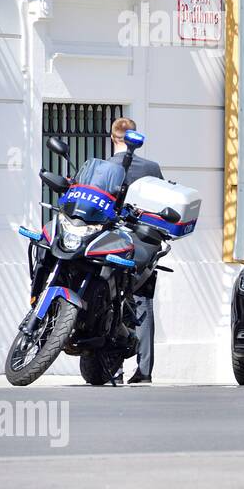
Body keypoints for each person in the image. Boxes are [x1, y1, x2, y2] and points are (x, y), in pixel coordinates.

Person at [108, 117, 164, 385]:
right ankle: (144, 371)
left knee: (109, 302)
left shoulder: (105, 167)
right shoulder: (152, 168)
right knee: (142, 303)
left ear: (112, 137)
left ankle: (113, 368)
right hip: (143, 247)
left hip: (109, 245)